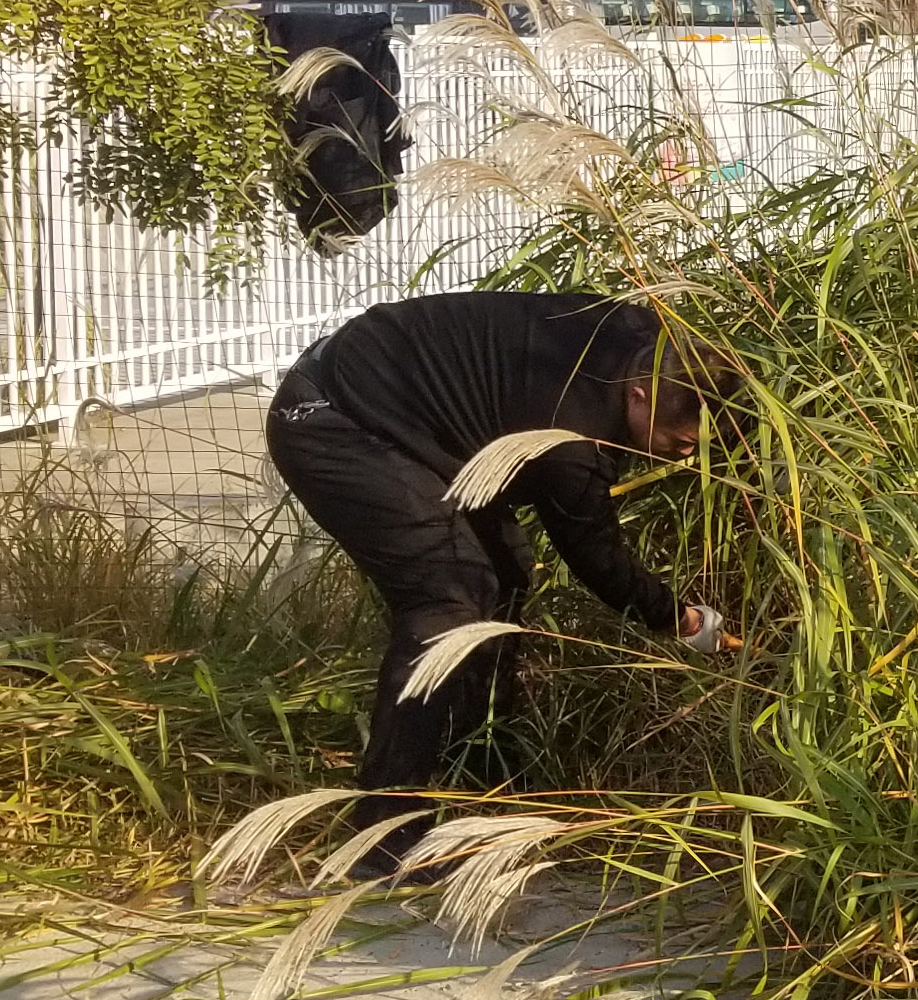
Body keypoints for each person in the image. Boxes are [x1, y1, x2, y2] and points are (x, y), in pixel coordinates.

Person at [265, 289, 732, 848]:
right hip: (334, 418)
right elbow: (598, 558)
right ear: (639, 395)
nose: (685, 457)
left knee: (506, 574)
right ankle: (385, 827)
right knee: (449, 602)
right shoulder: (571, 436)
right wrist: (682, 620)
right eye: (680, 442)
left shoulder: (645, 336)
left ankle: (481, 766)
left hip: (419, 423)